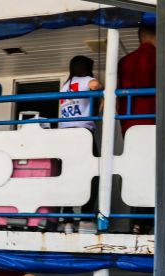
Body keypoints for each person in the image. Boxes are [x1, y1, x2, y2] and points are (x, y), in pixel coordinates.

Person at [117, 24, 165, 137]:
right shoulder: (160, 56)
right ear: (156, 37)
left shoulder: (123, 61)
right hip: (154, 119)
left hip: (128, 121)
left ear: (140, 38)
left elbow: (115, 90)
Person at [59, 55, 102, 230]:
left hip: (64, 134)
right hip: (82, 132)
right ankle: (85, 217)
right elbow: (95, 85)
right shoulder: (87, 80)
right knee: (93, 175)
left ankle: (67, 218)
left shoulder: (65, 85)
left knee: (68, 175)